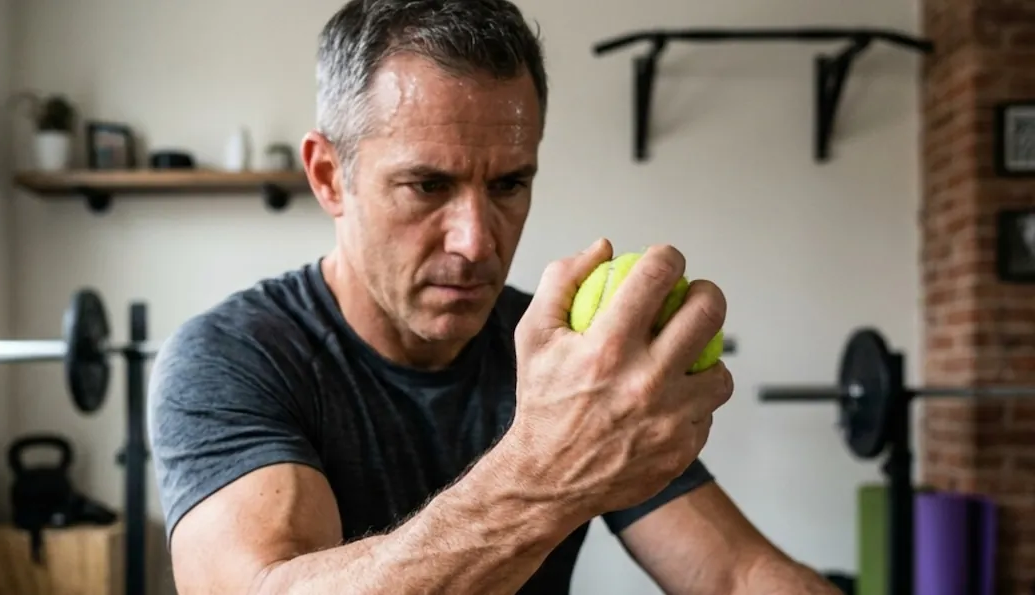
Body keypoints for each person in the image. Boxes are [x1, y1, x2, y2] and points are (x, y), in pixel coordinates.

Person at [149, 0, 838, 593]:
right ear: (330, 176)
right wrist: (546, 472)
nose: (477, 242)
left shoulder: (563, 354)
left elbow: (735, 572)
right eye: (428, 185)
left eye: (509, 184)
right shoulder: (232, 358)